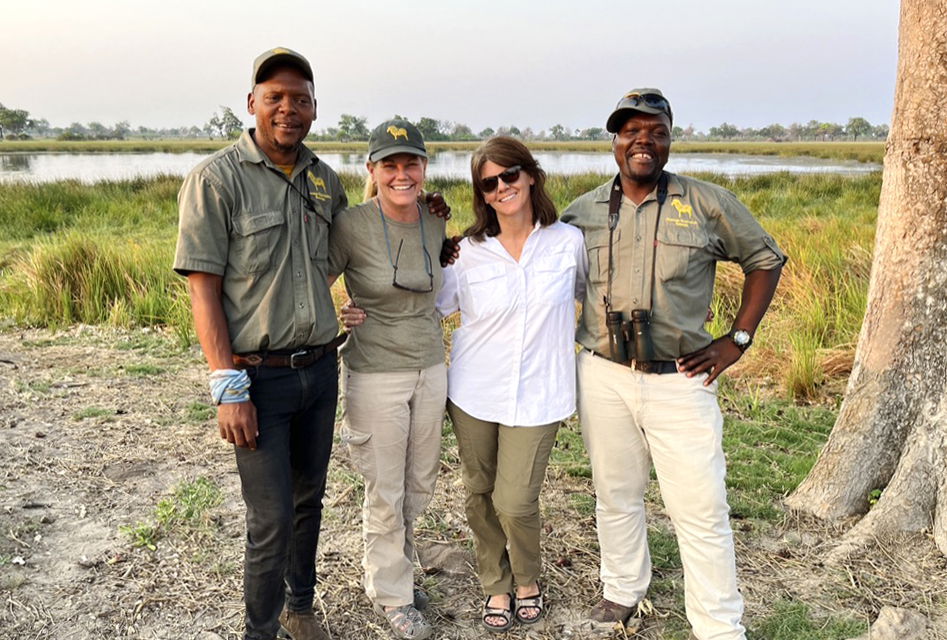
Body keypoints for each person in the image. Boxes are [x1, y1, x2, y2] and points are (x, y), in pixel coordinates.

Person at [174, 49, 447, 640]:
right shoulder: (215, 179)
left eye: (300, 99)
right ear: (252, 104)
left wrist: (423, 214)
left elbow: (361, 244)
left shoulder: (325, 181)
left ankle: (301, 608)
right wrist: (226, 384)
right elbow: (204, 291)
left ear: (316, 109)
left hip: (321, 369)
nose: (288, 109)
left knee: (307, 502)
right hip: (257, 376)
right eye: (275, 97)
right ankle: (261, 630)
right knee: (269, 518)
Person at [560, 89, 786, 640]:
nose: (643, 141)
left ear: (670, 137)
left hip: (681, 378)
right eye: (630, 131)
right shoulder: (582, 211)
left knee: (701, 507)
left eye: (654, 131)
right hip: (604, 373)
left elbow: (765, 260)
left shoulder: (707, 202)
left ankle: (718, 624)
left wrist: (737, 338)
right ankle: (621, 588)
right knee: (615, 492)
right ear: (614, 141)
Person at [432, 137, 587, 632]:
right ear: (482, 194)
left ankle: (528, 578)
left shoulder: (569, 242)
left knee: (515, 499)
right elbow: (432, 307)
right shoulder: (467, 252)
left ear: (531, 175)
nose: (502, 188)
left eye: (510, 176)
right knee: (479, 491)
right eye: (489, 183)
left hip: (542, 393)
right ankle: (495, 583)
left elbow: (601, 295)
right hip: (474, 392)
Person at [327, 119, 447, 640]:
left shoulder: (436, 218)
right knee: (385, 487)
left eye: (411, 163)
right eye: (390, 164)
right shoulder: (350, 224)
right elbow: (312, 280)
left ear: (424, 167)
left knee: (419, 482)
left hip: (430, 366)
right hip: (375, 371)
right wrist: (337, 317)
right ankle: (392, 594)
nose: (402, 174)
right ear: (371, 169)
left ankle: (397, 565)